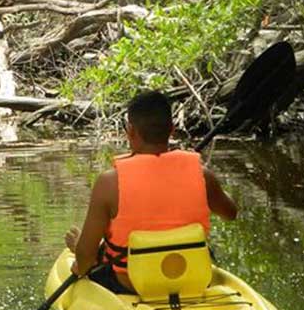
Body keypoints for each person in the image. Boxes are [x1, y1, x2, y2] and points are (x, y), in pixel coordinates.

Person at [65, 90, 237, 293]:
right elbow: (230, 213)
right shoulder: (202, 175)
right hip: (193, 279)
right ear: (171, 130)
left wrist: (81, 258)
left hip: (131, 285)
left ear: (130, 131)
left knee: (95, 259)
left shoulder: (109, 183)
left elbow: (85, 259)